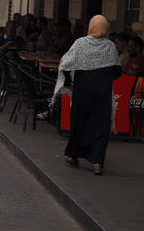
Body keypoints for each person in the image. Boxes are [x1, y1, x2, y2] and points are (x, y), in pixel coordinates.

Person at [52, 14, 121, 176]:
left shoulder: (80, 44)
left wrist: (69, 81)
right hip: (102, 94)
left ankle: (72, 155)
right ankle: (97, 163)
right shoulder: (110, 46)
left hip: (82, 92)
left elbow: (65, 63)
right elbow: (117, 71)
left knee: (79, 122)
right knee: (100, 125)